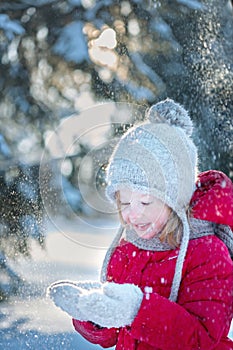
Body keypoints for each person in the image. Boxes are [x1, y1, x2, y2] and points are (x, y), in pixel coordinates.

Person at [48, 99, 233, 349]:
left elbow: (202, 339)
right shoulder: (128, 248)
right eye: (124, 203)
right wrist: (94, 312)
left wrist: (137, 310)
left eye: (145, 202)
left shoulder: (208, 254)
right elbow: (115, 335)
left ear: (175, 198)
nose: (132, 216)